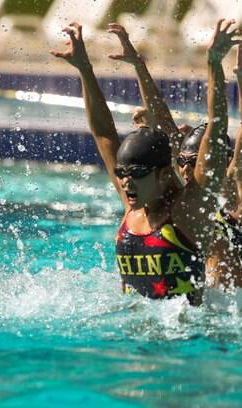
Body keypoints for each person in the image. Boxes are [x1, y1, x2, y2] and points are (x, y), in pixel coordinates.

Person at [51, 20, 237, 304]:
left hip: (190, 340)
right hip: (133, 337)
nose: (125, 181)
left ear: (162, 175)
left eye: (135, 173)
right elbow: (103, 133)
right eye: (121, 173)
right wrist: (85, 70)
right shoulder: (133, 202)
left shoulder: (191, 210)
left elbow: (216, 126)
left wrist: (213, 63)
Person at [109, 23, 242, 291]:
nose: (183, 168)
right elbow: (163, 127)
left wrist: (237, 77)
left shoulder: (233, 187)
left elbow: (222, 131)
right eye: (180, 161)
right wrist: (139, 66)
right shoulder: (181, 196)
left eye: (192, 161)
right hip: (199, 293)